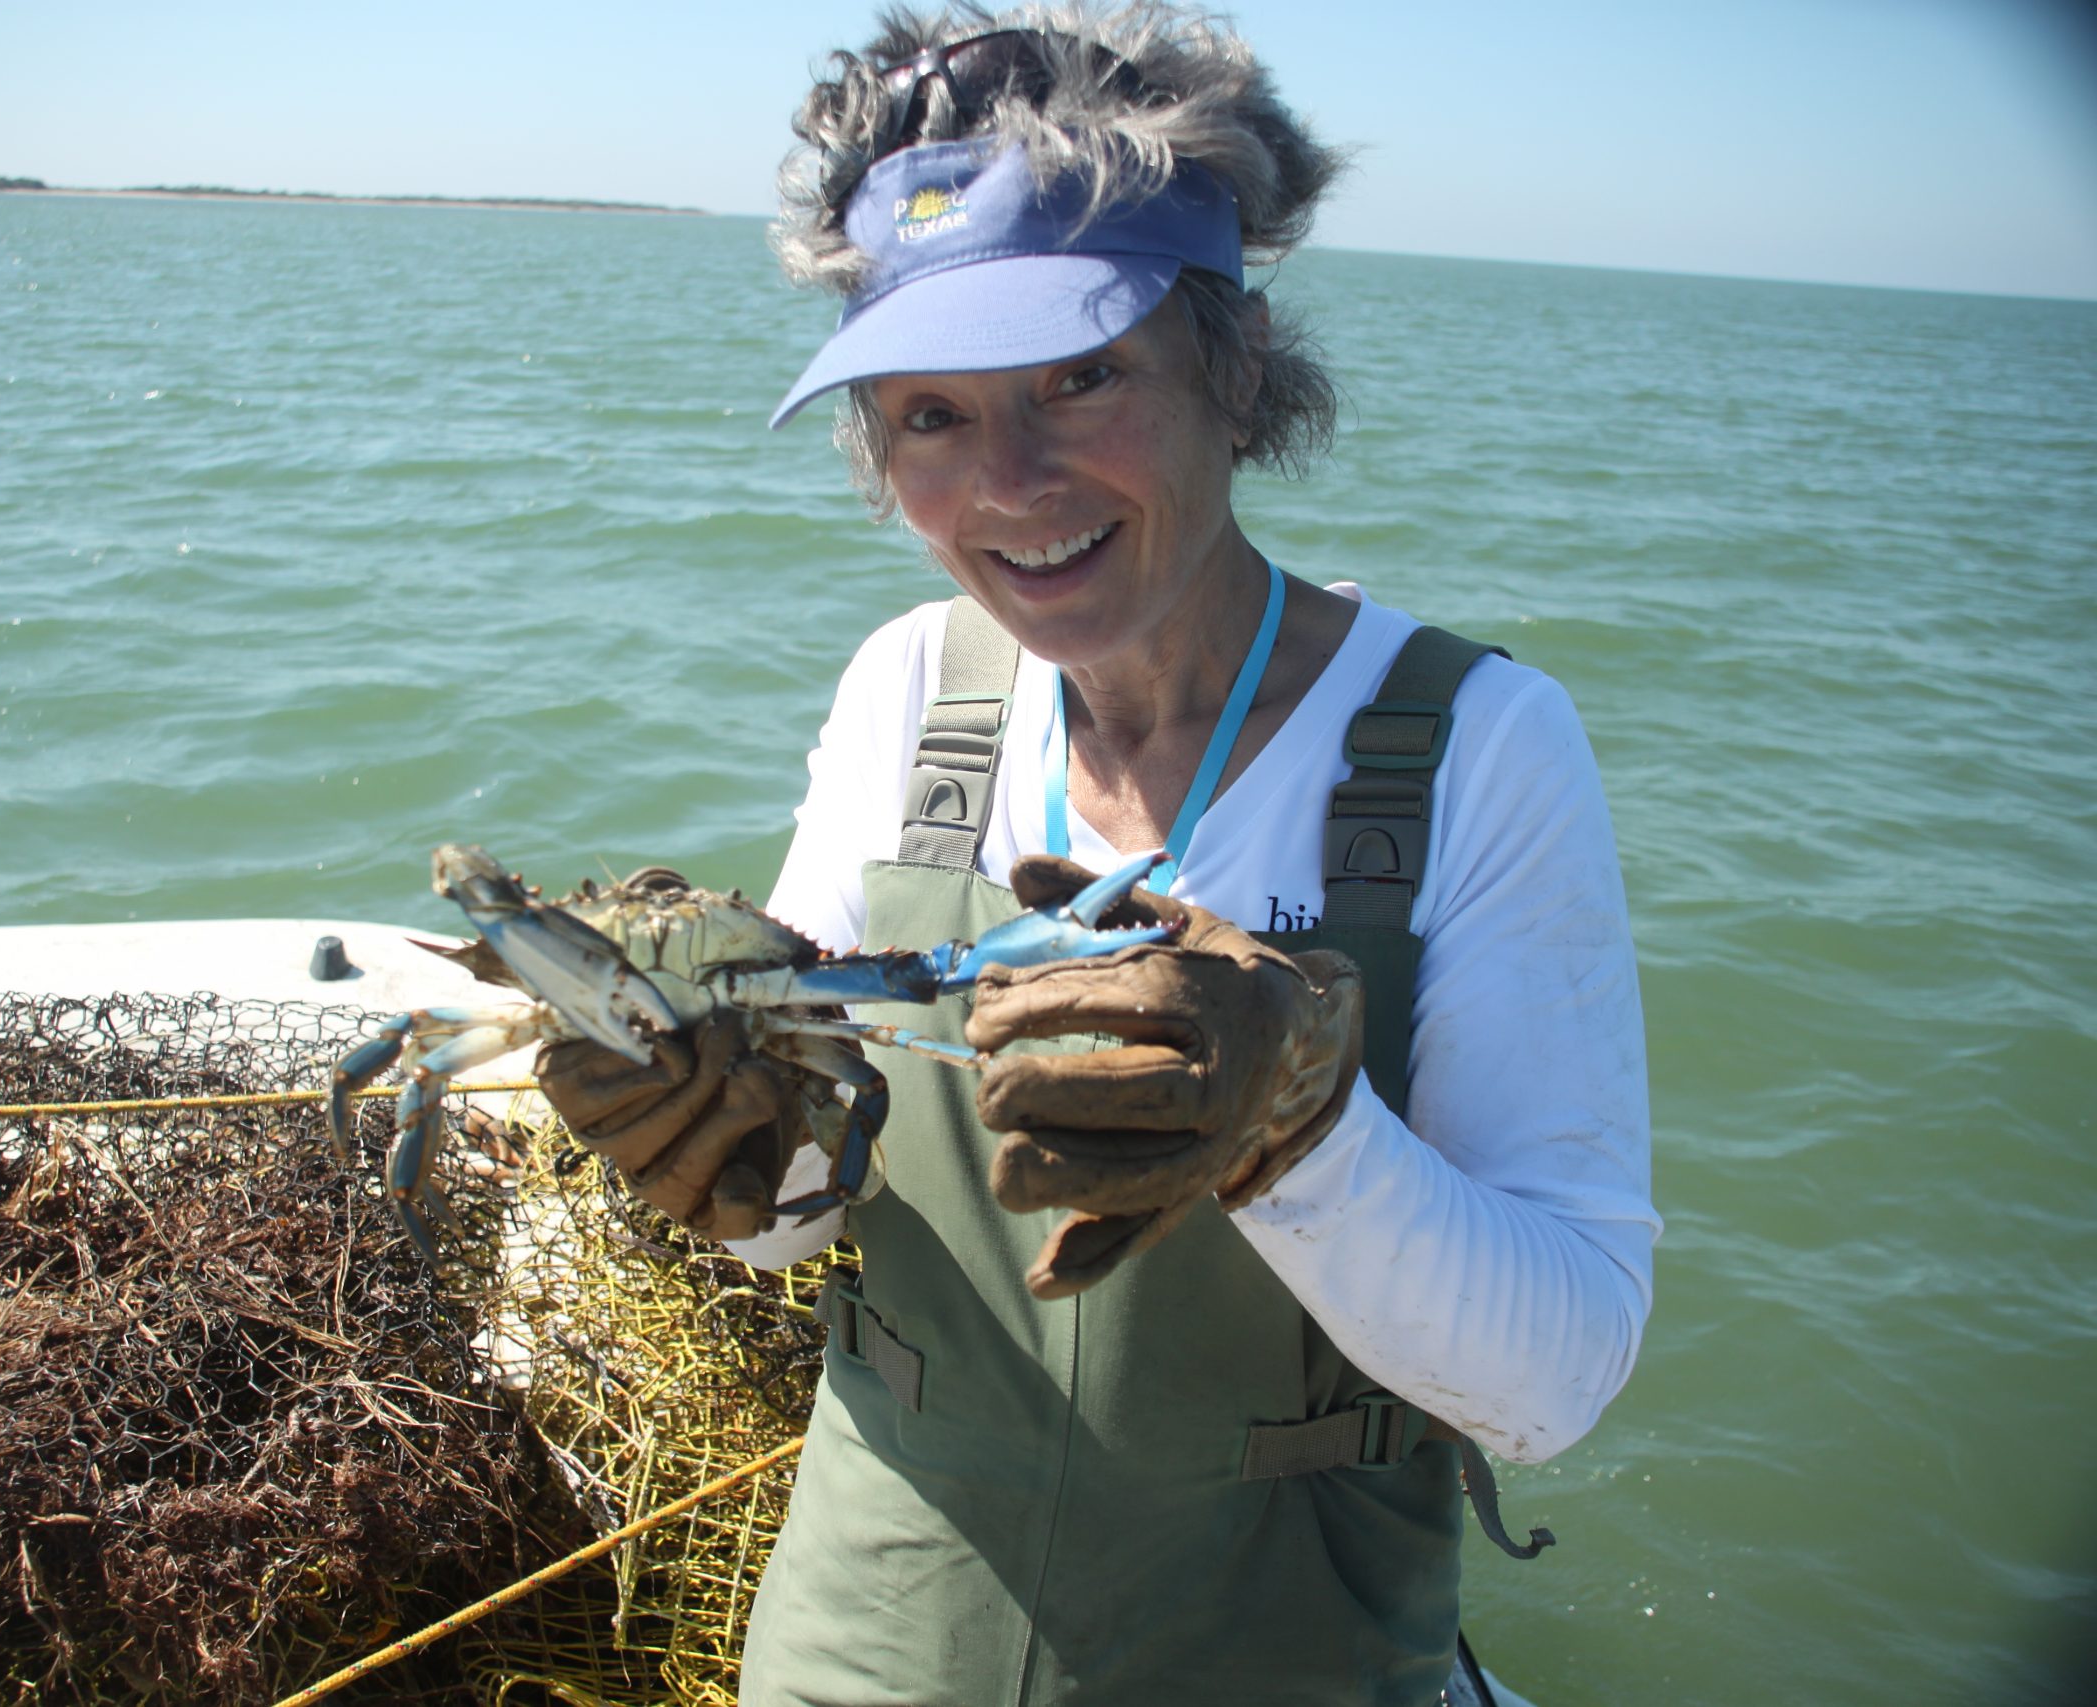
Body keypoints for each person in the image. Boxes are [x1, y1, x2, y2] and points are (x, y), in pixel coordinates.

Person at [538, 7, 1658, 1703]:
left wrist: (1298, 1131)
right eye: (928, 413)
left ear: (1235, 360)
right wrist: (723, 1156)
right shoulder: (910, 689)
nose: (1013, 482)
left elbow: (1557, 1380)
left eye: (1081, 376)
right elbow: (818, 1219)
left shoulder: (1474, 745)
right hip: (869, 1642)